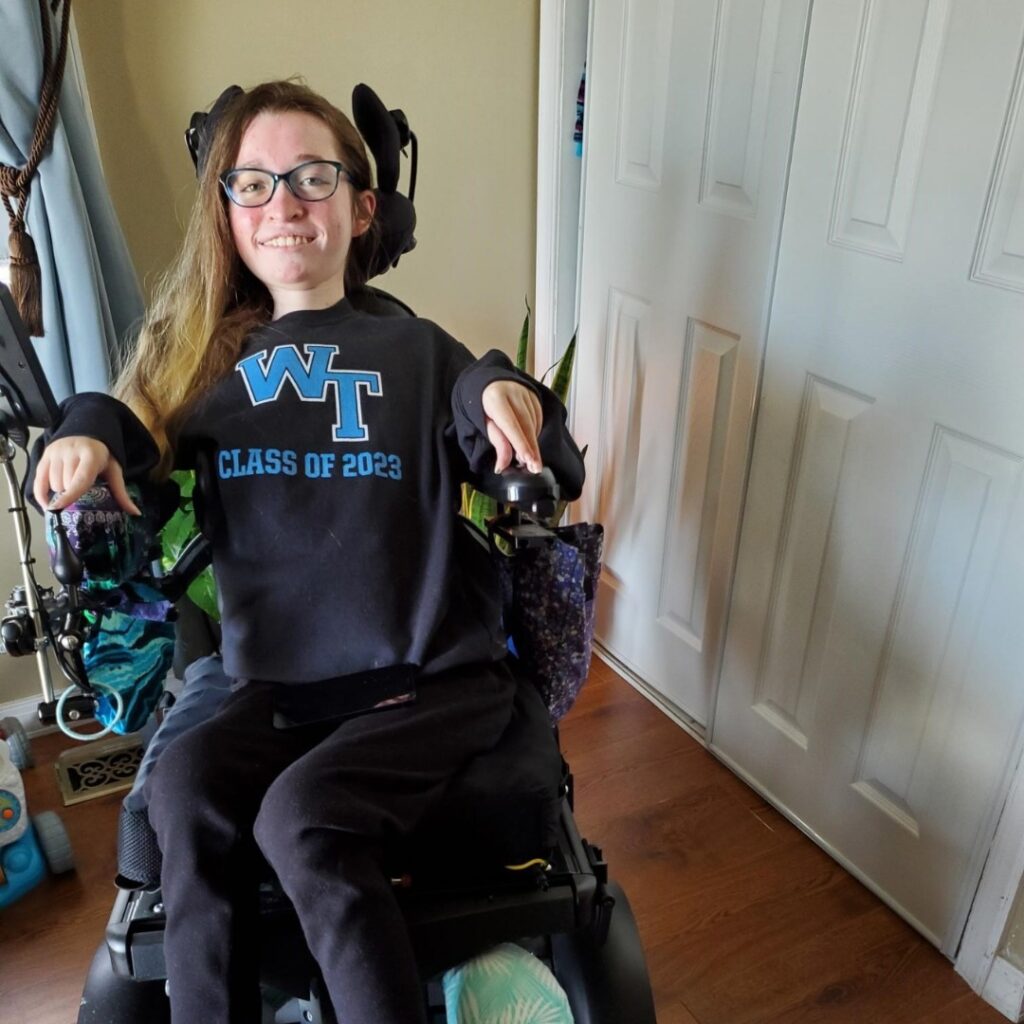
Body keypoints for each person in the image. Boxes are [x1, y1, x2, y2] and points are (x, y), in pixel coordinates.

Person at [32, 80, 584, 1024]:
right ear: (229, 214)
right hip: (277, 689)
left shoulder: (414, 350)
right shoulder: (202, 367)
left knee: (302, 820)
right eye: (253, 183)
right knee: (186, 788)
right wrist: (82, 434)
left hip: (426, 681)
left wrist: (503, 392)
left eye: (311, 177)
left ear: (362, 207)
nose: (283, 203)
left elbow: (497, 407)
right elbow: (128, 434)